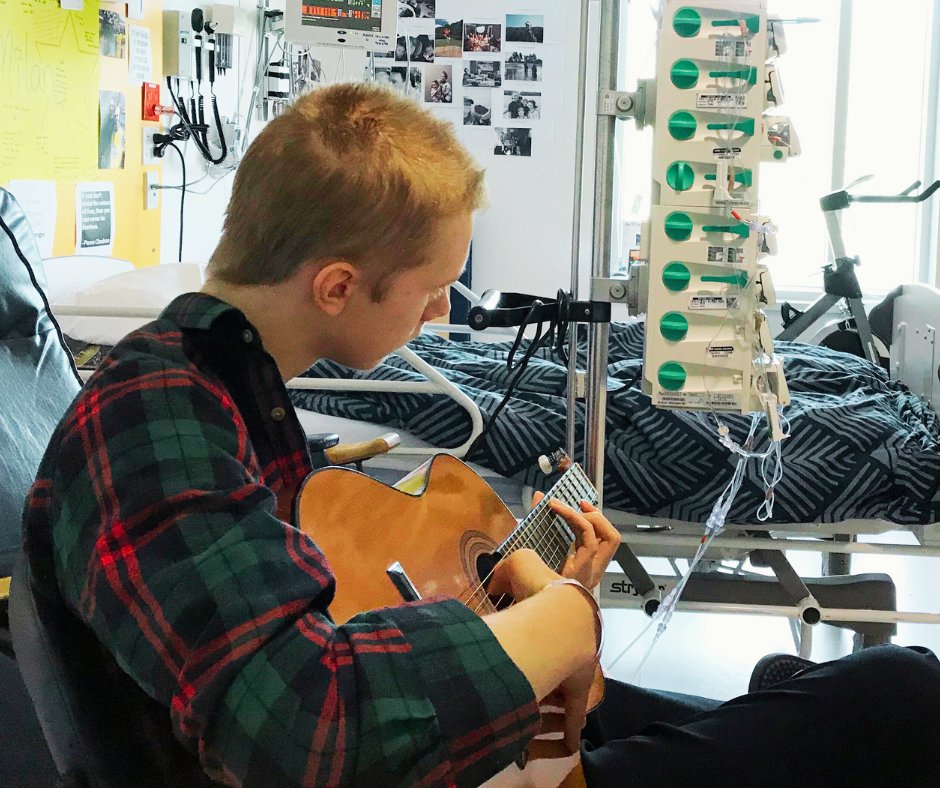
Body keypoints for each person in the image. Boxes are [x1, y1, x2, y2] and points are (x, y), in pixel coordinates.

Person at [23, 82, 940, 788]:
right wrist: (562, 622)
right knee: (902, 696)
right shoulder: (153, 418)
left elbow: (299, 614)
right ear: (336, 286)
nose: (438, 317)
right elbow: (312, 729)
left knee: (848, 704)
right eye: (431, 290)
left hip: (460, 747)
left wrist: (517, 604)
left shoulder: (224, 392)